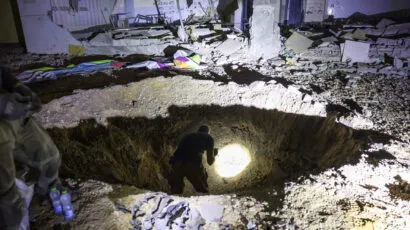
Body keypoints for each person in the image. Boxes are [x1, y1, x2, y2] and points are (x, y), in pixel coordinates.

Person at [0, 66, 61, 230]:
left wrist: (17, 87)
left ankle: (45, 195)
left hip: (11, 115)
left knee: (50, 158)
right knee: (6, 198)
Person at [168, 125, 218, 194]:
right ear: (208, 132)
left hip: (176, 163)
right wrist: (214, 154)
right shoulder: (208, 137)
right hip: (193, 164)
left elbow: (180, 149)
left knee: (176, 191)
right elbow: (210, 161)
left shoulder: (187, 135)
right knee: (203, 189)